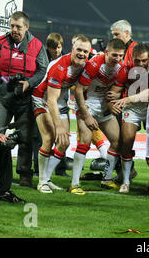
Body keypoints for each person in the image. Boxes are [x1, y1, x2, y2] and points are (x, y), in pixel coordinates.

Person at [0, 11, 48, 188]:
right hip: (2, 97)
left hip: (25, 100)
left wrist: (29, 83)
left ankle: (25, 174)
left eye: (18, 26)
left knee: (25, 138)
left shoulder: (37, 45)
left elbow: (43, 69)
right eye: (12, 25)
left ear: (26, 27)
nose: (14, 30)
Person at [33, 34, 91, 195]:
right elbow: (51, 100)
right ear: (72, 49)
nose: (82, 54)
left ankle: (47, 178)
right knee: (50, 138)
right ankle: (41, 182)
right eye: (78, 50)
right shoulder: (60, 66)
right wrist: (58, 126)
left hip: (60, 102)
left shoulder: (85, 64)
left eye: (85, 51)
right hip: (42, 99)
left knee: (64, 143)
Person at [74, 39, 125, 190]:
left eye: (121, 55)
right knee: (85, 142)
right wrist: (86, 115)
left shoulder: (121, 68)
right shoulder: (95, 64)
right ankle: (74, 184)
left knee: (117, 141)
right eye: (114, 55)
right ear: (107, 52)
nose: (117, 58)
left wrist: (113, 101)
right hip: (87, 103)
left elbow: (116, 90)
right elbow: (78, 90)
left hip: (103, 106)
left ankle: (107, 179)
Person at [107, 43, 149, 193]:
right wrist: (110, 103)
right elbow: (114, 92)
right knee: (126, 142)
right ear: (132, 59)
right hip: (132, 107)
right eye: (137, 61)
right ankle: (126, 181)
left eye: (144, 61)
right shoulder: (125, 70)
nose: (141, 64)